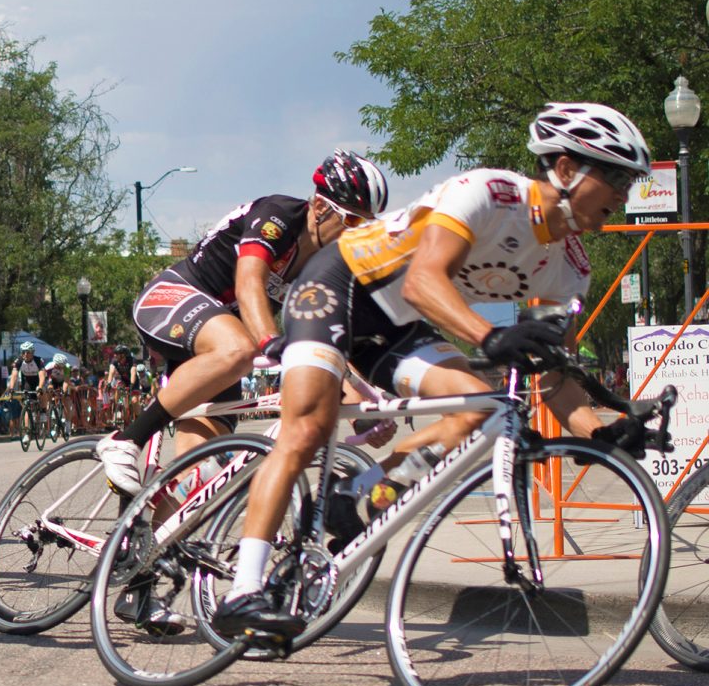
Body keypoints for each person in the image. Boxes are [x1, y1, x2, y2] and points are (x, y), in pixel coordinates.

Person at [215, 103, 649, 637]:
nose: (625, 195)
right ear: (564, 169)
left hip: (399, 327)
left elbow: (552, 375)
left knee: (477, 407)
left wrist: (604, 432)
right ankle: (242, 591)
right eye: (616, 178)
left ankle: (358, 495)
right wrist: (490, 336)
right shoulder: (491, 194)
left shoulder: (570, 268)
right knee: (307, 428)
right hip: (340, 285)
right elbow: (424, 281)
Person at [95, 151, 390, 500]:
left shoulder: (328, 265)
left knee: (201, 482)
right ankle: (126, 440)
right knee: (240, 349)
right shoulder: (280, 215)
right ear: (322, 207)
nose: (356, 234)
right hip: (172, 299)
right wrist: (269, 341)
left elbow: (330, 336)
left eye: (367, 226)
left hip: (216, 344)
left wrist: (361, 409)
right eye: (353, 222)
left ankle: (153, 550)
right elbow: (248, 280)